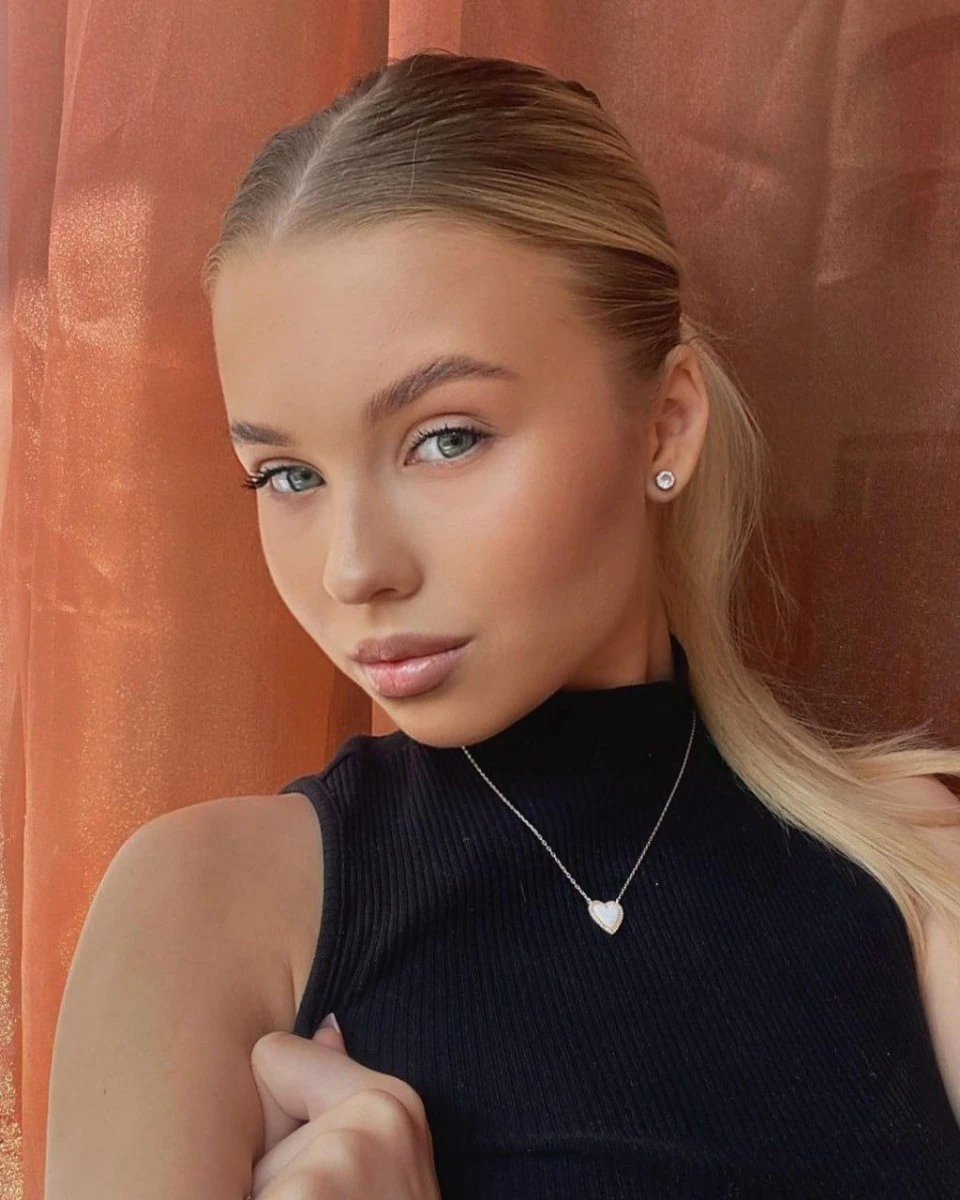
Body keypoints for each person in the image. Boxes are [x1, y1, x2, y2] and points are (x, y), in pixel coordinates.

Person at [47, 50, 960, 1200]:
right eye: (287, 474)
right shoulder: (206, 910)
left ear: (665, 425)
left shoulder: (915, 871)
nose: (355, 568)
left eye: (447, 438)